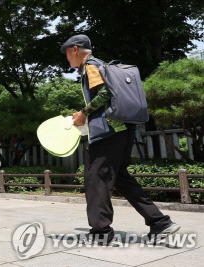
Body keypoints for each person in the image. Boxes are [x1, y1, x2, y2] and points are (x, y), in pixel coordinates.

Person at [60, 34, 180, 244]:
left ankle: (101, 232)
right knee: (121, 177)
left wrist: (83, 112)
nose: (67, 59)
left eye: (67, 53)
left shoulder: (91, 65)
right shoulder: (103, 65)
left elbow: (105, 93)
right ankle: (160, 222)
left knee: (95, 179)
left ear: (75, 49)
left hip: (107, 133)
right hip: (124, 130)